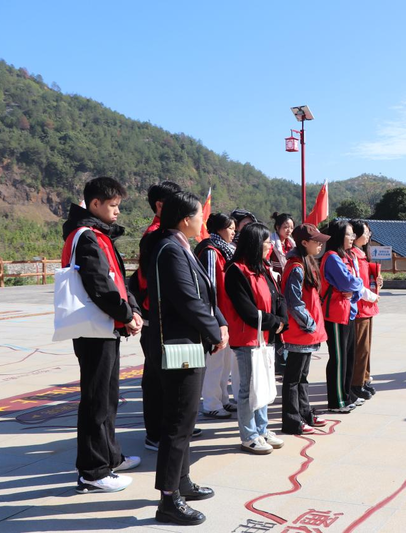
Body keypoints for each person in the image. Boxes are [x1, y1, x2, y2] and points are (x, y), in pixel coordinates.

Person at [146, 192, 229, 525]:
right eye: (199, 216)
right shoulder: (169, 249)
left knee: (185, 419)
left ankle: (182, 482)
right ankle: (169, 500)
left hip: (188, 343)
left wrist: (219, 322)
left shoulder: (179, 246)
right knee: (178, 423)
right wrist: (214, 332)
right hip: (179, 347)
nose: (202, 221)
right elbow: (187, 299)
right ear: (185, 220)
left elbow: (203, 294)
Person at [61, 176, 143, 494]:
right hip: (94, 330)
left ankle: (110, 458)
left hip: (106, 328)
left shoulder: (97, 234)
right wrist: (126, 314)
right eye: (113, 205)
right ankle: (92, 472)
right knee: (95, 400)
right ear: (95, 204)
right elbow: (99, 285)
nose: (117, 211)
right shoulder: (86, 236)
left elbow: (118, 279)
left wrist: (130, 311)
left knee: (108, 398)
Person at [129, 180, 196, 453]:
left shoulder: (168, 234)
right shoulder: (156, 235)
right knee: (157, 379)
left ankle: (173, 426)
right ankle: (157, 433)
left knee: (167, 377)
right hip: (156, 317)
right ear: (160, 205)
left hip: (162, 316)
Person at [224, 223, 288, 454]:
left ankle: (262, 429)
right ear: (254, 243)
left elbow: (278, 297)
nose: (270, 245)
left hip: (265, 337)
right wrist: (276, 322)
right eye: (266, 242)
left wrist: (282, 320)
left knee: (263, 385)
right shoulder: (236, 270)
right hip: (247, 338)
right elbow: (247, 311)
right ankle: (249, 435)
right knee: (248, 388)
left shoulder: (262, 268)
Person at [280, 224, 330, 434]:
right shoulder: (296, 267)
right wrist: (308, 323)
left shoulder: (304, 263)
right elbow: (294, 301)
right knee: (293, 378)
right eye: (316, 241)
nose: (320, 245)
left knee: (302, 377)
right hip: (300, 331)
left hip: (306, 332)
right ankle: (292, 420)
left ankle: (304, 413)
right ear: (304, 243)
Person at [320, 219, 374, 413]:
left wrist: (355, 286)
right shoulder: (332, 257)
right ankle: (337, 401)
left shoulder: (344, 256)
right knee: (338, 358)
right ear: (338, 236)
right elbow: (349, 282)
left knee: (349, 356)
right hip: (335, 313)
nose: (352, 237)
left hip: (348, 311)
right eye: (348, 234)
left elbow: (354, 284)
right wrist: (356, 285)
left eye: (353, 234)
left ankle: (347, 394)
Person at [194, 213, 238, 419]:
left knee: (225, 363)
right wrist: (214, 318)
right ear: (219, 229)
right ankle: (211, 403)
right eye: (230, 228)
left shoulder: (225, 250)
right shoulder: (211, 251)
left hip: (226, 315)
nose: (234, 232)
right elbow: (210, 288)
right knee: (215, 363)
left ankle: (223, 399)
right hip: (217, 315)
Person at [349, 219, 382, 399]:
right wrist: (370, 295)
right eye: (366, 232)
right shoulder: (352, 255)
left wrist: (377, 280)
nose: (368, 235)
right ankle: (356, 383)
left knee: (366, 348)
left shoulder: (361, 254)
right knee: (360, 349)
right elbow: (356, 284)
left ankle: (364, 379)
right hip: (360, 308)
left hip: (367, 307)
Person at [269, 212, 296, 375]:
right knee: (278, 323)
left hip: (288, 288)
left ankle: (285, 360)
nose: (289, 230)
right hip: (276, 289)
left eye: (291, 227)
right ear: (277, 227)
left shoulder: (292, 245)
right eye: (285, 227)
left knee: (288, 323)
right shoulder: (270, 244)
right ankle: (279, 362)